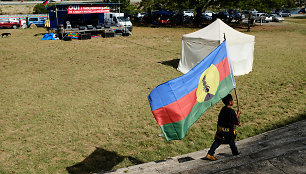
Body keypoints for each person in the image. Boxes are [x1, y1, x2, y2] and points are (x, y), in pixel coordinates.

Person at [205, 94, 241, 161]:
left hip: (221, 129)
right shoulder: (231, 111)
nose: (233, 101)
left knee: (218, 141)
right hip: (228, 131)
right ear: (230, 102)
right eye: (232, 100)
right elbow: (235, 121)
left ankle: (209, 154)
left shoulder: (223, 109)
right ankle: (235, 153)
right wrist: (238, 115)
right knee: (231, 141)